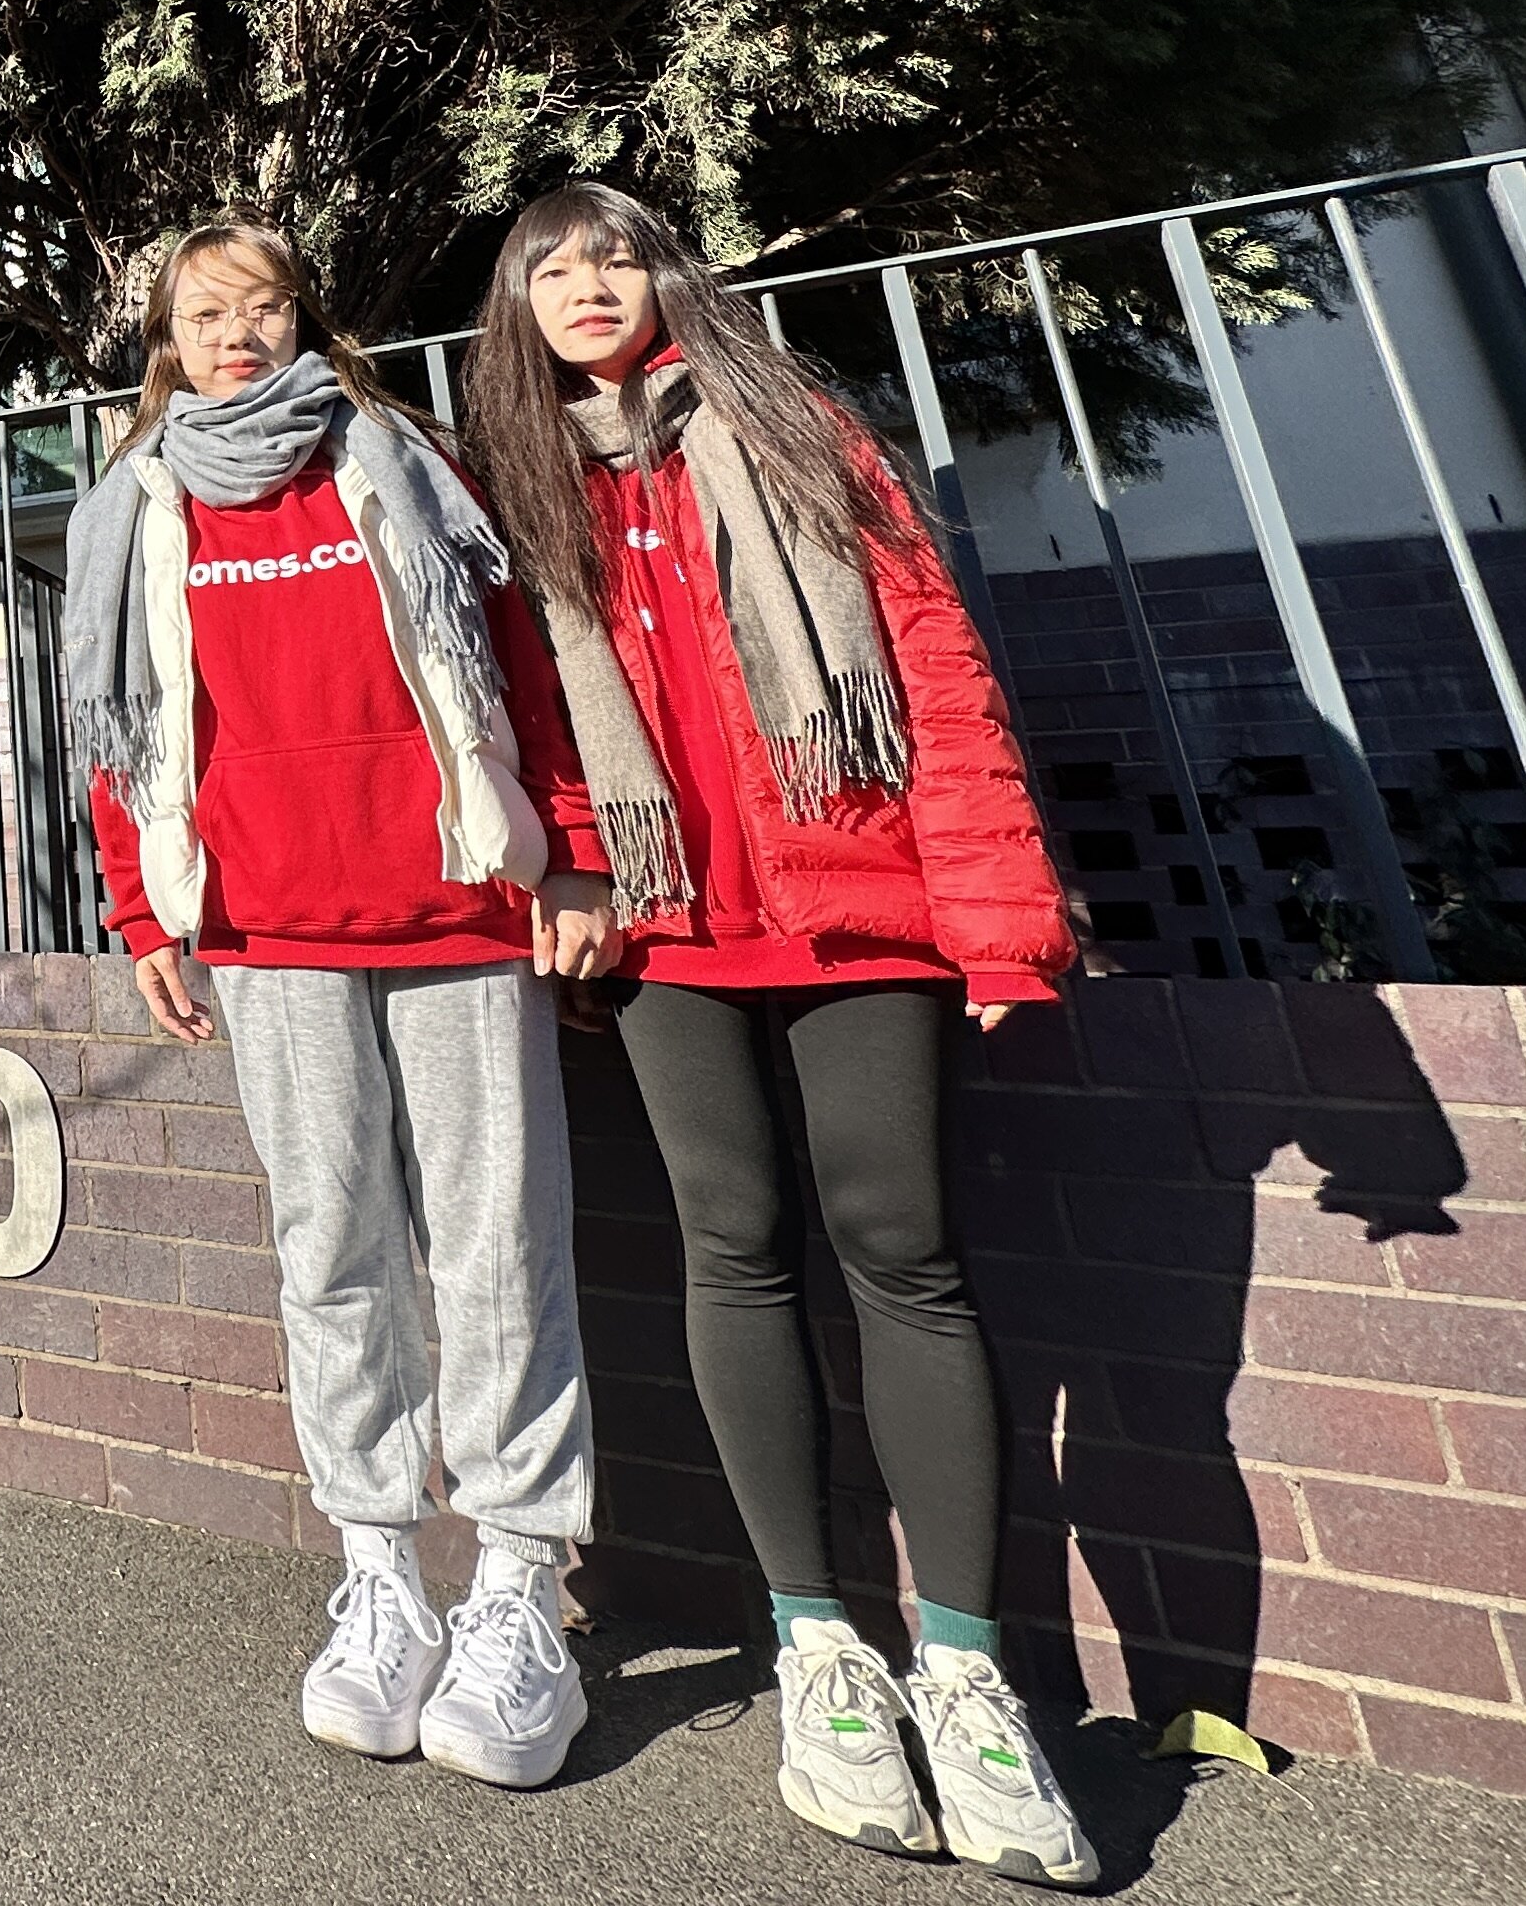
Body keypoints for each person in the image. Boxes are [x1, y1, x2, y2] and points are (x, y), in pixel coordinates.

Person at [457, 180, 1100, 1889]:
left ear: (668, 274)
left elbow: (930, 664)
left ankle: (966, 1671)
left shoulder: (799, 428)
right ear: (517, 310)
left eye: (614, 254)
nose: (588, 285)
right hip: (672, 927)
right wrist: (575, 861)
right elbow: (536, 710)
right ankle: (818, 1646)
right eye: (550, 269)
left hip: (858, 898)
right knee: (730, 1243)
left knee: (905, 1249)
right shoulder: (524, 479)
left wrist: (996, 913)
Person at [64, 217, 624, 1790]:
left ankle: (519, 1583)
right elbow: (127, 724)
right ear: (168, 342)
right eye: (204, 313)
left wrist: (574, 850)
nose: (236, 333)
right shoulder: (137, 500)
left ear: (305, 319)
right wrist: (141, 907)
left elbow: (519, 664)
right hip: (266, 929)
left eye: (263, 305)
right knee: (332, 1246)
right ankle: (381, 1572)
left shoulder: (402, 458)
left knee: (500, 1245)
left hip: (455, 901)